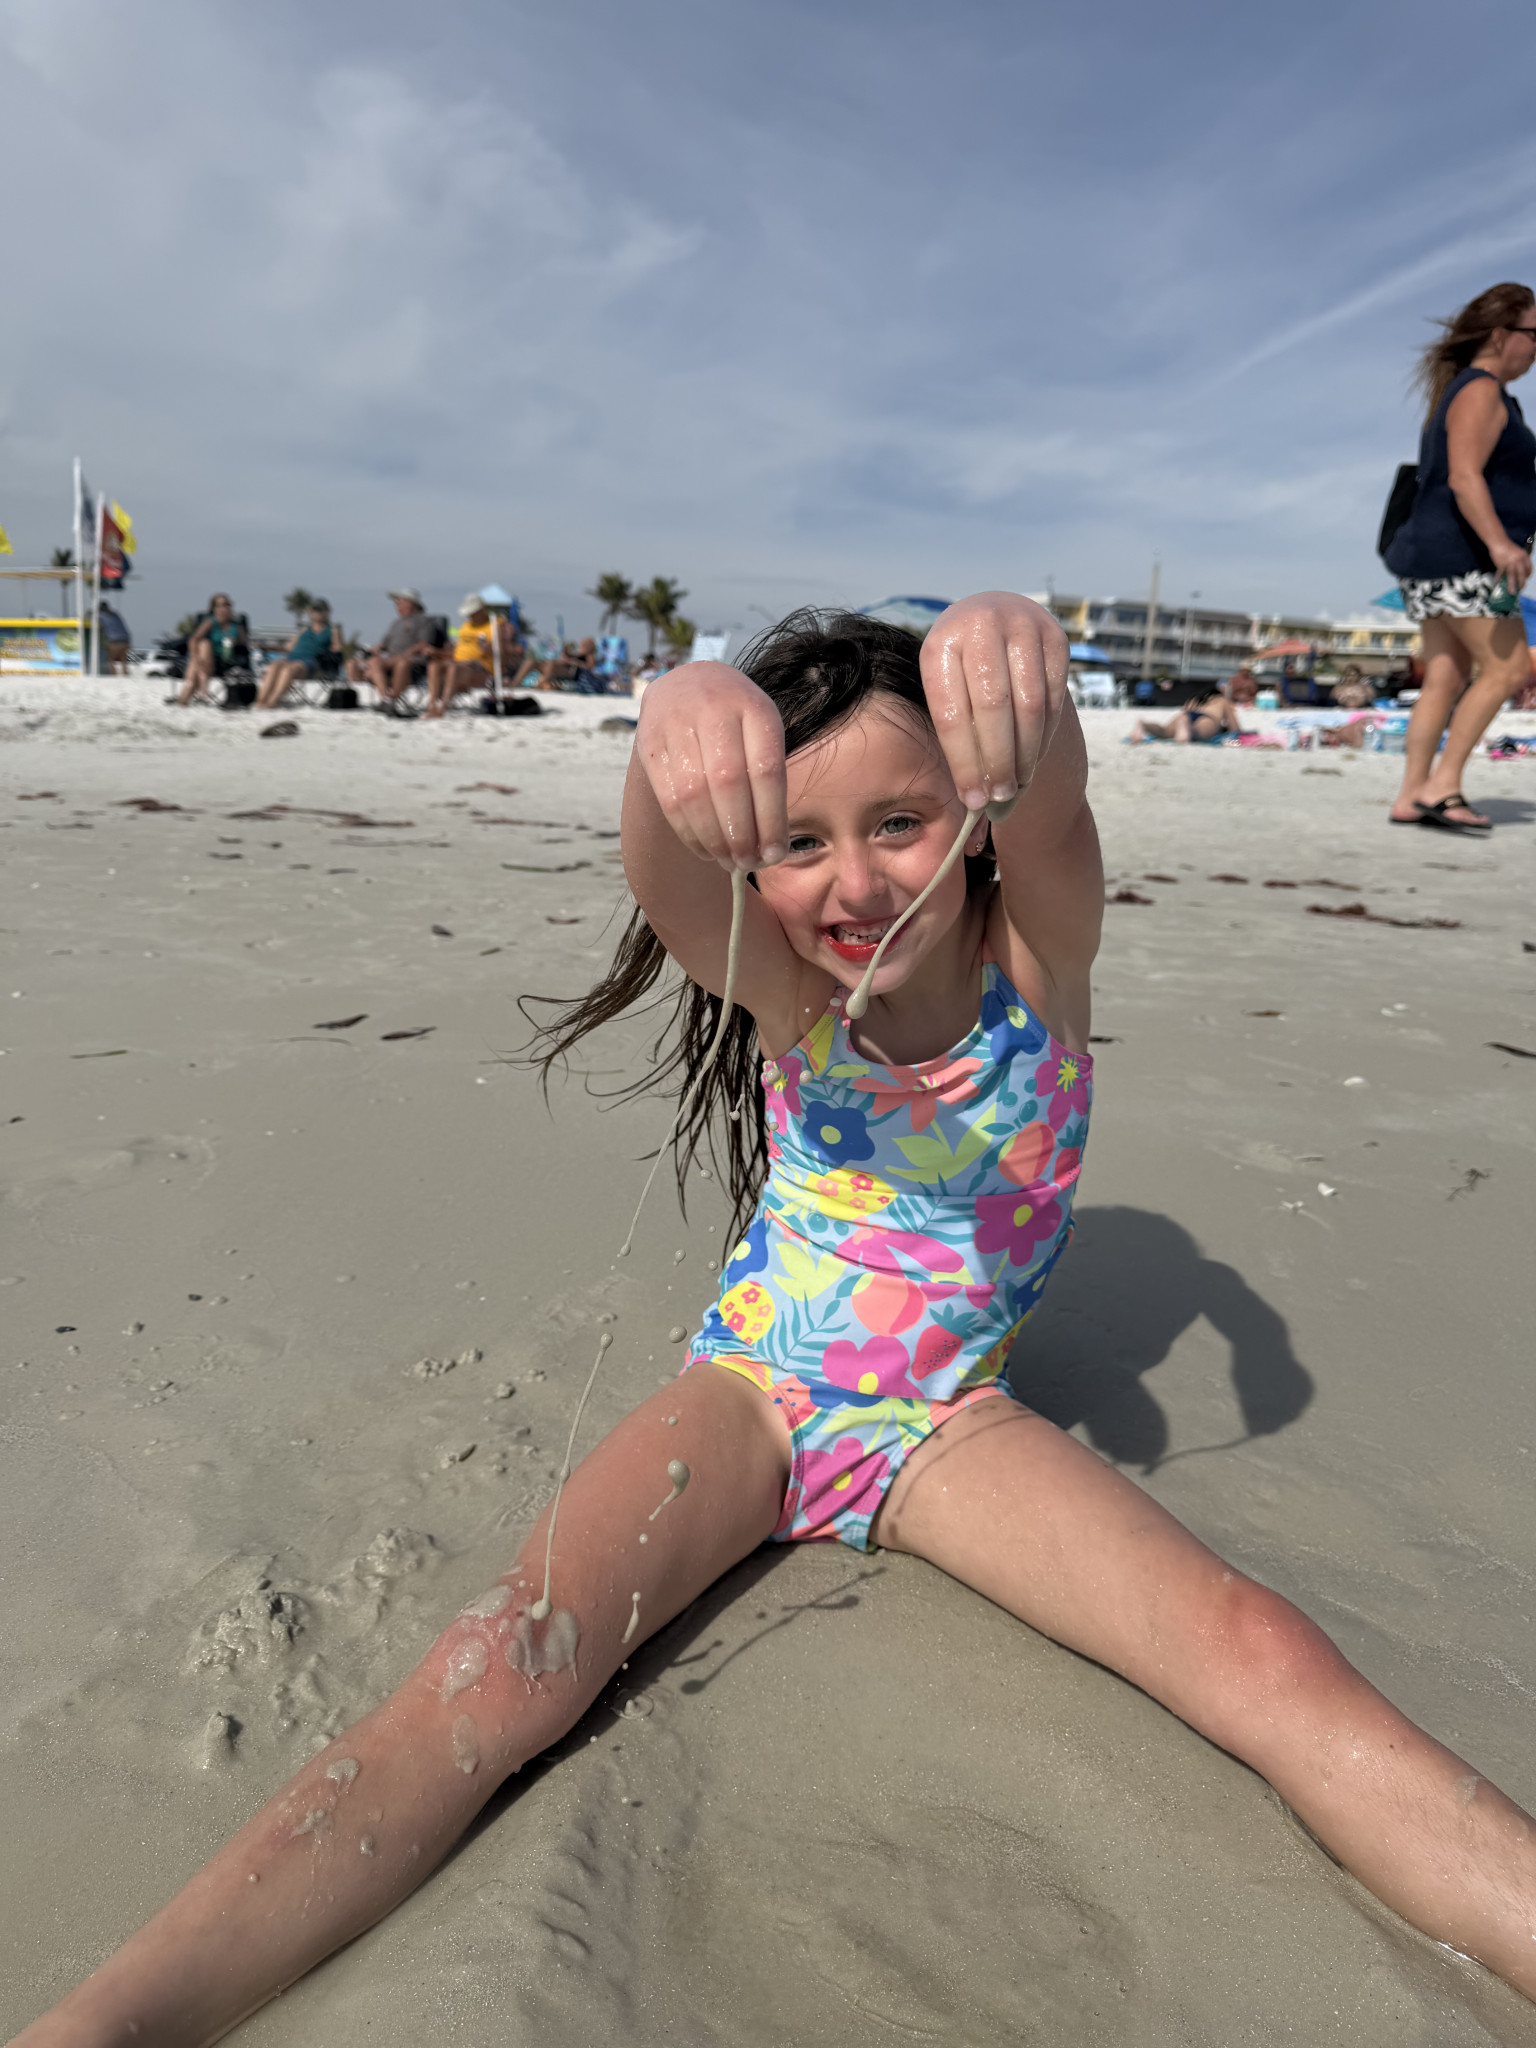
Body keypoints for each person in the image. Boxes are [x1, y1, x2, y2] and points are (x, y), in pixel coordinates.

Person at [18, 596, 1536, 2046]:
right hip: (751, 1393)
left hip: (945, 1424)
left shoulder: (1038, 960)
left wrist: (1019, 658)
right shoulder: (791, 993)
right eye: (800, 843)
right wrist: (670, 720)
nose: (853, 884)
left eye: (900, 823)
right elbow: (667, 870)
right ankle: (103, 2023)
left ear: (973, 819)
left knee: (1255, 1645)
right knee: (503, 1658)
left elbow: (1057, 803)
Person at [1384, 280, 1536, 832]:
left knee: (1445, 677)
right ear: (1500, 335)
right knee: (1508, 668)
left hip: (1432, 560)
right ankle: (1442, 787)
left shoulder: (1466, 391)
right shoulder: (1480, 390)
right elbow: (1465, 476)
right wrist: (1500, 544)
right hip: (1464, 558)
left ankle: (1410, 794)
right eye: (1533, 334)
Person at [423, 593, 517, 718]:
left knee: (453, 668)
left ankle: (442, 708)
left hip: (481, 668)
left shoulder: (495, 625)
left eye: (473, 613)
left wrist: (489, 649)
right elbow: (457, 653)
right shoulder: (466, 626)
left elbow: (503, 654)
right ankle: (432, 706)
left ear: (482, 610)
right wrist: (437, 652)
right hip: (459, 663)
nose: (470, 616)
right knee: (434, 665)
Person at [361, 587, 442, 711]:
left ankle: (393, 698)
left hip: (413, 660)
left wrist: (406, 654)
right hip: (391, 658)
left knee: (402, 662)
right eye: (397, 602)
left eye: (400, 602)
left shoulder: (424, 621)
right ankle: (386, 699)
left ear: (411, 603)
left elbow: (424, 643)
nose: (397, 605)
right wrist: (376, 649)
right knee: (374, 661)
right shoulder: (396, 623)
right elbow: (384, 643)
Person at [257, 599, 343, 710]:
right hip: (292, 659)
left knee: (289, 669)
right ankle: (261, 701)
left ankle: (273, 702)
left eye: (321, 610)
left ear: (328, 611)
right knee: (274, 666)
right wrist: (265, 647)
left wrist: (334, 642)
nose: (317, 613)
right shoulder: (305, 630)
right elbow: (287, 647)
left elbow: (338, 648)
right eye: (315, 610)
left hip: (314, 662)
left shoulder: (332, 629)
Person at [174, 593, 250, 706]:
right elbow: (193, 640)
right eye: (220, 605)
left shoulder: (237, 626)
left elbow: (244, 644)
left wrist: (235, 641)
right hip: (202, 659)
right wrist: (195, 657)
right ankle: (202, 692)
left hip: (224, 660)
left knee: (203, 648)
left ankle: (185, 699)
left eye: (227, 605)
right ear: (214, 608)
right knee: (204, 644)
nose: (224, 608)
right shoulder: (210, 622)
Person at [1127, 678, 1242, 745]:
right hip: (1208, 718)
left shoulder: (1197, 698)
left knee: (1164, 732)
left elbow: (1186, 709)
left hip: (1185, 715)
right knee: (1196, 732)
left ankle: (1144, 724)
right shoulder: (1222, 700)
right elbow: (1235, 729)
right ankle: (1187, 727)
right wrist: (1222, 728)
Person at [98, 600, 131, 675]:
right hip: (125, 640)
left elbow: (88, 618)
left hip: (115, 641)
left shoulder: (101, 616)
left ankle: (114, 674)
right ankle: (124, 674)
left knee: (110, 660)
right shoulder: (115, 615)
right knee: (123, 660)